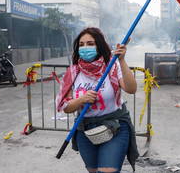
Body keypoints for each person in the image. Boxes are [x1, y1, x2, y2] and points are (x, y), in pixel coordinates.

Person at [56, 27, 138, 173]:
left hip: (115, 126)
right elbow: (66, 107)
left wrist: (122, 60)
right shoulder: (73, 72)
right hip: (85, 130)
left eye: (90, 43)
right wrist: (81, 99)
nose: (85, 48)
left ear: (99, 45)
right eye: (81, 45)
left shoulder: (112, 66)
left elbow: (131, 89)